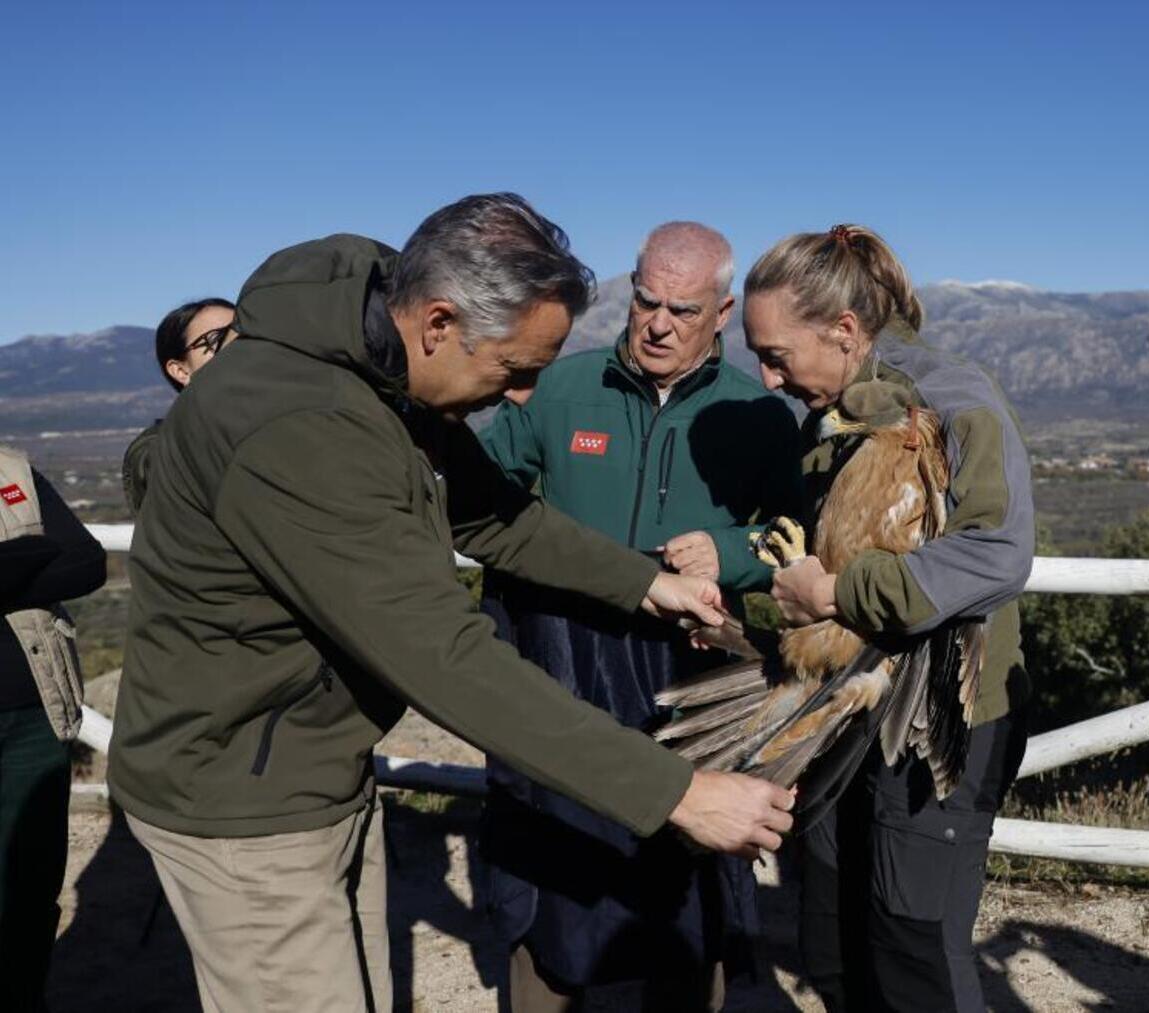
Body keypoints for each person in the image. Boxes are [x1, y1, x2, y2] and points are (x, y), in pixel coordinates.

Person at [106, 193, 797, 1013]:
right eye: (513, 368)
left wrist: (645, 582)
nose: (524, 397)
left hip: (311, 763)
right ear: (439, 323)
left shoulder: (383, 366)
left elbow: (497, 514)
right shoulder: (304, 428)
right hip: (242, 793)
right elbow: (444, 654)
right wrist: (678, 792)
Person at [478, 221, 803, 1011]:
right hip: (562, 669)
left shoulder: (758, 414)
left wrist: (730, 551)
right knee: (557, 863)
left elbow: (801, 536)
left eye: (682, 310)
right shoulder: (561, 388)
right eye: (645, 300)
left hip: (691, 680)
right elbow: (480, 490)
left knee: (684, 872)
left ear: (722, 312)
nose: (658, 323)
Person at [741, 224, 1035, 1012]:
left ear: (843, 329)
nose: (768, 378)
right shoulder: (830, 414)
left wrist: (839, 595)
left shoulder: (955, 398)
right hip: (845, 706)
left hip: (943, 715)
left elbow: (997, 554)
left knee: (915, 954)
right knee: (832, 939)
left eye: (777, 355)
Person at [0, 449, 106, 1012]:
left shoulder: (12, 471)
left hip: (35, 714)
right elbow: (54, 561)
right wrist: (28, 560)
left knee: (33, 884)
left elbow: (85, 563)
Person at [121, 297, 238, 514]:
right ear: (181, 371)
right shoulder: (157, 448)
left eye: (245, 336)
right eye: (218, 339)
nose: (237, 346)